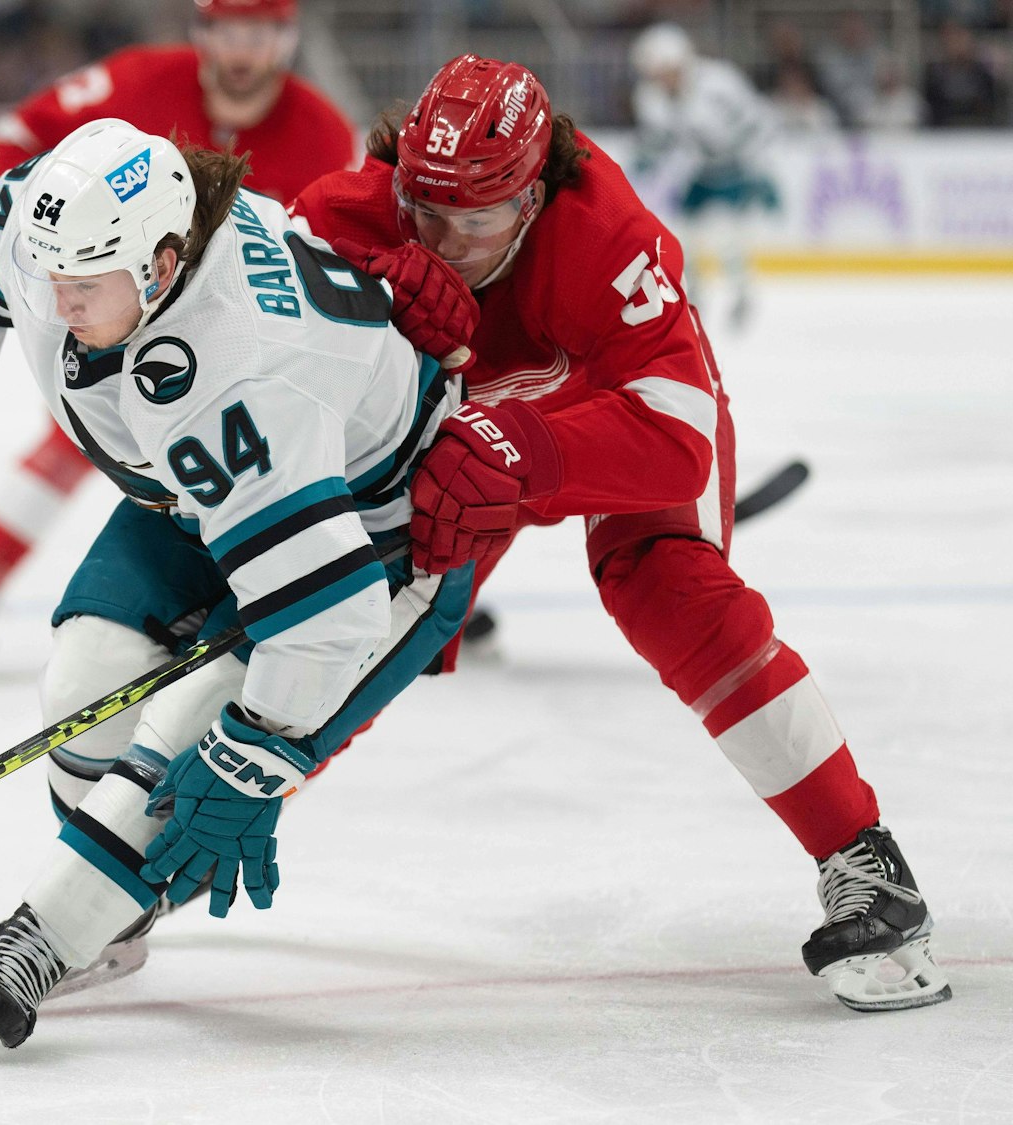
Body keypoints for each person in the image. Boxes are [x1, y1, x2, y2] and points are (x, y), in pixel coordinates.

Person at [294, 55, 949, 1014]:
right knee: (359, 614)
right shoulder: (342, 216)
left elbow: (677, 438)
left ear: (535, 196)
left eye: (475, 222)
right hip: (463, 426)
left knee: (663, 580)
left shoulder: (604, 237)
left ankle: (865, 859)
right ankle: (174, 842)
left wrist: (524, 454)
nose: (445, 244)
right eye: (425, 214)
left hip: (602, 411)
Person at [0, 116, 472, 1056]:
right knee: (82, 685)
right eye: (49, 274)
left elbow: (328, 615)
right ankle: (116, 909)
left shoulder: (238, 369)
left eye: (85, 284)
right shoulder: (61, 230)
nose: (58, 299)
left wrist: (257, 753)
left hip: (374, 536)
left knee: (187, 755)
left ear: (159, 264)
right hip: (201, 495)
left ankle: (50, 935)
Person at [0, 0, 360, 669]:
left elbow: (325, 263)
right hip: (118, 307)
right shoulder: (138, 82)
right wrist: (47, 262)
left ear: (289, 38)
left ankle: (385, 565)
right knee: (72, 444)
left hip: (228, 344)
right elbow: (21, 134)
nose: (244, 53)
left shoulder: (324, 133)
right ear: (201, 32)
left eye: (263, 33)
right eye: (228, 31)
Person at [629, 24, 779, 328]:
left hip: (735, 169)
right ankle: (693, 292)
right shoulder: (650, 97)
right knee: (682, 236)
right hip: (697, 172)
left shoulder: (720, 83)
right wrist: (647, 157)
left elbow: (758, 121)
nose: (660, 79)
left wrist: (756, 165)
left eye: (663, 70)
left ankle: (741, 294)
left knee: (726, 236)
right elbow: (659, 141)